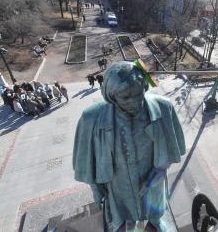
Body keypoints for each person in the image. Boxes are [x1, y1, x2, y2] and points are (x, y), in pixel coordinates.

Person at [73, 61, 185, 232]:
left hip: (151, 177)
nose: (134, 102)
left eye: (138, 94)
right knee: (122, 214)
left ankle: (155, 221)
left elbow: (172, 149)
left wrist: (162, 169)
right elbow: (86, 163)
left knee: (154, 208)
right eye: (125, 97)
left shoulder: (164, 108)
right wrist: (96, 188)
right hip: (118, 182)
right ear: (111, 95)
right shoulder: (91, 118)